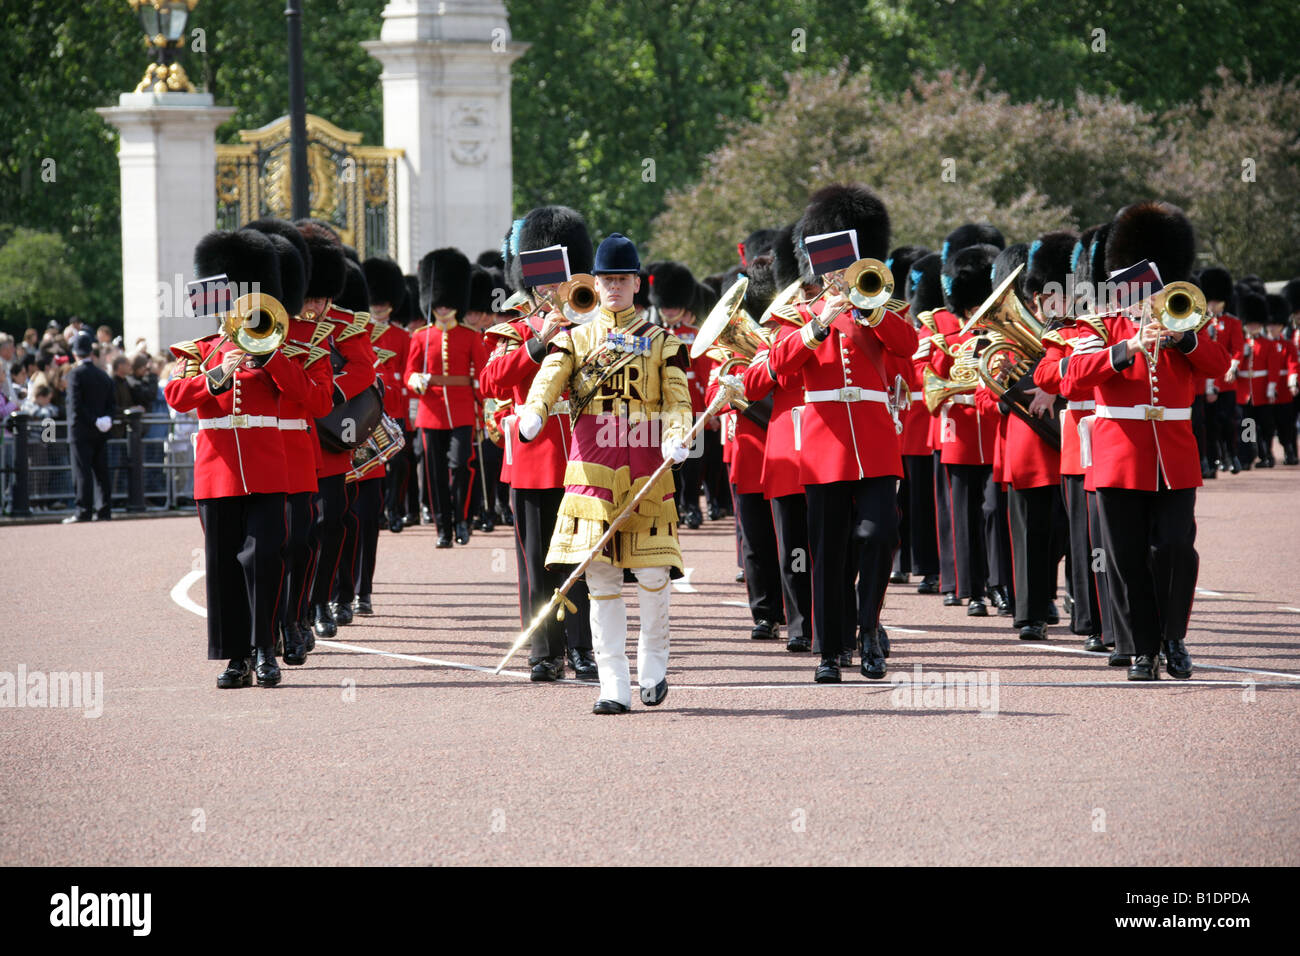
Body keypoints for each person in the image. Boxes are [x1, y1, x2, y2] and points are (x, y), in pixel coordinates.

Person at [517, 232, 694, 713]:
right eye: (607, 280)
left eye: (622, 279)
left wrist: (678, 434)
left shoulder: (662, 342)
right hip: (591, 468)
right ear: (595, 283)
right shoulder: (574, 338)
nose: (614, 287)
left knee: (654, 572)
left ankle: (654, 663)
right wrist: (533, 412)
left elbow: (677, 399)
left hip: (646, 467)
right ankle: (613, 684)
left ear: (636, 284)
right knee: (601, 581)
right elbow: (549, 378)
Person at [1062, 201, 1229, 681]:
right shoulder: (1100, 325)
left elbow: (1220, 366)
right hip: (1119, 456)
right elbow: (1070, 379)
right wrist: (1126, 349)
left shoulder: (1186, 320)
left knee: (1176, 548)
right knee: (1127, 557)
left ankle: (1173, 637)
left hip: (1173, 456)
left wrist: (1186, 340)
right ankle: (1141, 650)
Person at [765, 183, 914, 683]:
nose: (835, 276)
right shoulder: (801, 317)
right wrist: (816, 327)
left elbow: (907, 346)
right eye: (826, 268)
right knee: (828, 550)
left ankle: (867, 626)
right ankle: (831, 650)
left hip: (873, 440)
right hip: (824, 444)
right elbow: (777, 367)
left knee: (880, 532)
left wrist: (868, 310)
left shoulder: (878, 306)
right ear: (815, 270)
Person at [165, 228, 319, 688]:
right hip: (216, 474)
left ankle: (265, 647)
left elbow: (313, 398)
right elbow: (176, 394)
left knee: (263, 558)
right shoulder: (198, 351)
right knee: (225, 565)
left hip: (269, 469)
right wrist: (216, 375)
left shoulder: (283, 348)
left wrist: (269, 358)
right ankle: (237, 657)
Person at [480, 205, 597, 682]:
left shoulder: (592, 321)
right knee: (535, 561)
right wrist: (537, 343)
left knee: (582, 558)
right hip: (532, 457)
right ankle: (543, 651)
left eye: (559, 279)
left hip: (585, 453)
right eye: (544, 281)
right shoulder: (513, 328)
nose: (552, 290)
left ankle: (583, 647)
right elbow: (491, 381)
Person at [405, 248, 485, 548]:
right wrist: (417, 381)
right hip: (430, 412)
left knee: (461, 465)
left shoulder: (470, 335)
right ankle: (443, 527)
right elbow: (409, 373)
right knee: (435, 475)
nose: (441, 308)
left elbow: (483, 372)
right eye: (437, 302)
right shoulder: (420, 336)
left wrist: (482, 404)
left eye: (446, 302)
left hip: (463, 410)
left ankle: (461, 520)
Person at [62, 331, 115, 523]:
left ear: (75, 353)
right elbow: (111, 403)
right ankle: (104, 510)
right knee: (101, 471)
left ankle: (83, 510)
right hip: (101, 430)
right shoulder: (103, 375)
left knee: (82, 471)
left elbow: (76, 404)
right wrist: (106, 419)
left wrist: (93, 420)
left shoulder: (74, 374)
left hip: (81, 430)